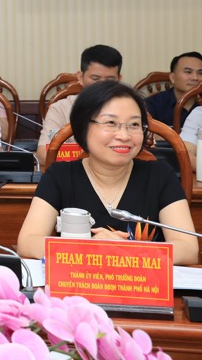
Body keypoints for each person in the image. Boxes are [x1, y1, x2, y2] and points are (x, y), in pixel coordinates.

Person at [18, 82, 197, 265]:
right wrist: (90, 249)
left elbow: (188, 248)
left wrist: (127, 251)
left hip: (140, 288)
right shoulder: (60, 175)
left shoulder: (159, 175)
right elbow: (28, 242)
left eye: (134, 124)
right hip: (77, 287)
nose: (124, 135)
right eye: (111, 123)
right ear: (83, 127)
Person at [37, 45, 123, 164]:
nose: (102, 85)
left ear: (119, 79)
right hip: (74, 176)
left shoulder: (132, 109)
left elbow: (146, 152)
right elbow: (43, 154)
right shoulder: (60, 108)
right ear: (80, 77)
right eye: (95, 78)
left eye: (110, 79)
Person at [144, 51, 202, 128]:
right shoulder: (153, 104)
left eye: (200, 73)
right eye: (188, 72)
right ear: (172, 77)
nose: (195, 78)